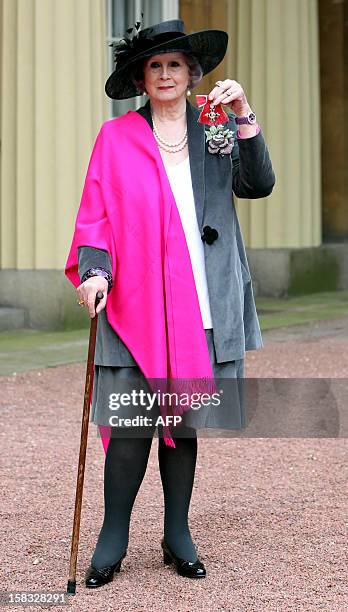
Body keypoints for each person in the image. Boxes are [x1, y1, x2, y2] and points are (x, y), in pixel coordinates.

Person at [65, 19, 275, 588]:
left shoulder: (215, 128)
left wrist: (244, 116)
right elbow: (95, 215)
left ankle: (177, 531)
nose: (165, 75)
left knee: (181, 421)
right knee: (132, 420)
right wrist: (94, 272)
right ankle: (114, 535)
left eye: (175, 65)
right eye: (155, 66)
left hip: (201, 297)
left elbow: (257, 185)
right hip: (135, 299)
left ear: (191, 74)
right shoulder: (115, 139)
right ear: (142, 76)